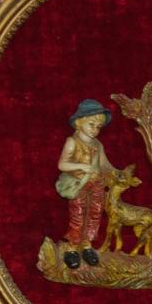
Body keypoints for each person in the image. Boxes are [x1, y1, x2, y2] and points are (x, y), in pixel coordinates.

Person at [56, 98, 116, 267]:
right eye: (91, 124)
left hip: (96, 185)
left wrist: (119, 174)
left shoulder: (98, 144)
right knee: (78, 215)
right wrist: (82, 165)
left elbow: (104, 165)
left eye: (98, 126)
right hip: (79, 184)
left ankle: (87, 245)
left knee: (95, 213)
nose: (95, 130)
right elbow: (62, 164)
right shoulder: (72, 142)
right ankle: (72, 248)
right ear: (79, 122)